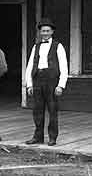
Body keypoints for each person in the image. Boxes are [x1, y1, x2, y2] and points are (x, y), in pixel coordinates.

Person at [23, 17, 68, 145]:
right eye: (43, 31)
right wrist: (29, 84)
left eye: (47, 31)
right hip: (38, 79)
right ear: (40, 32)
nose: (45, 33)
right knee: (37, 110)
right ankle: (38, 136)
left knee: (52, 109)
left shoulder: (58, 46)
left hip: (51, 81)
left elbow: (64, 67)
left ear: (52, 32)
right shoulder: (36, 47)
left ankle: (52, 137)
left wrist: (61, 85)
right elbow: (30, 66)